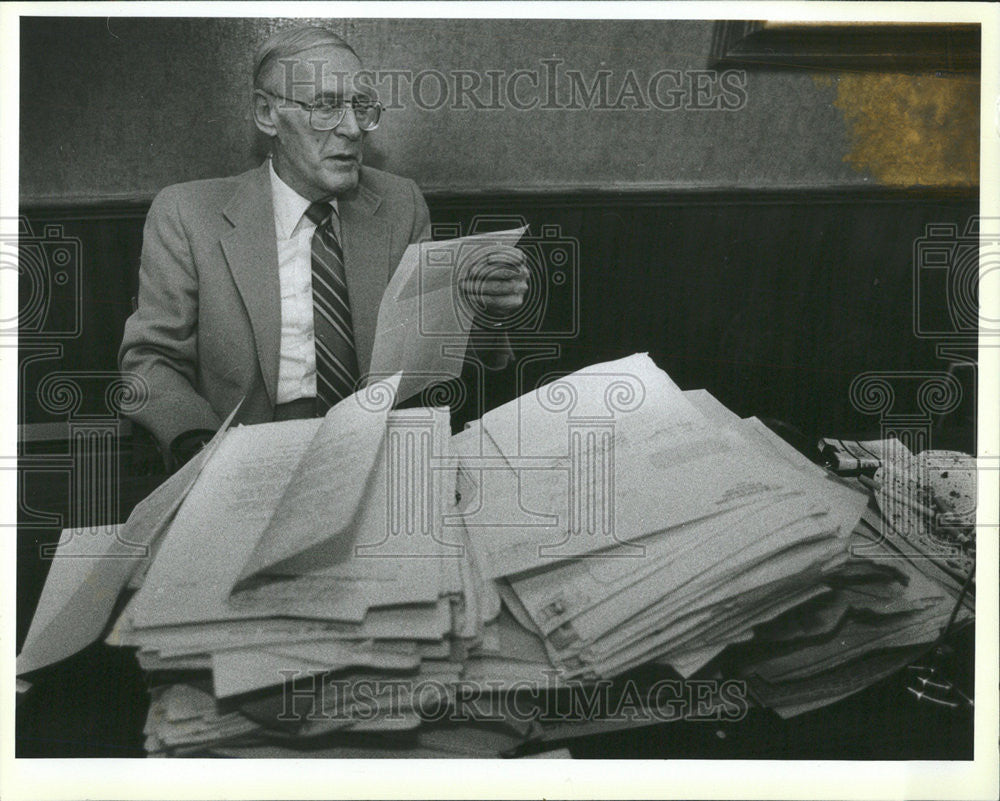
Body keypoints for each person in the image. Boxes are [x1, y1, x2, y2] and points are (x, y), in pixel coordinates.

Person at [119, 26, 528, 468]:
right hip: (241, 460)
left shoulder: (399, 204)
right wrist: (200, 451)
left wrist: (483, 307)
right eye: (326, 107)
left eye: (360, 107)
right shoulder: (187, 213)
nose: (352, 129)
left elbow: (432, 360)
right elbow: (151, 362)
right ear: (266, 114)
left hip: (375, 459)